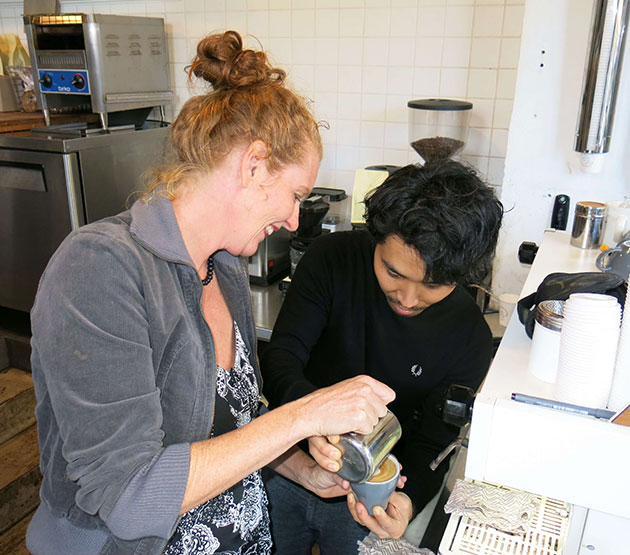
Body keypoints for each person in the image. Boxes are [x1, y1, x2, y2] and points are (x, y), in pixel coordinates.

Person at [25, 30, 396, 555]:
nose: (293, 219)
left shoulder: (222, 270)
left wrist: (301, 469)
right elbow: (128, 499)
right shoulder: (99, 269)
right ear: (252, 164)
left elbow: (232, 424)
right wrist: (306, 414)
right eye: (294, 195)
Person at [261, 161, 504, 553]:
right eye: (393, 272)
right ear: (376, 237)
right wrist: (308, 419)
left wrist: (408, 500)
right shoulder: (331, 260)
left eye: (433, 285)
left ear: (462, 275)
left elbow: (434, 443)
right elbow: (281, 358)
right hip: (285, 465)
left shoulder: (468, 335)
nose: (407, 299)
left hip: (368, 498)